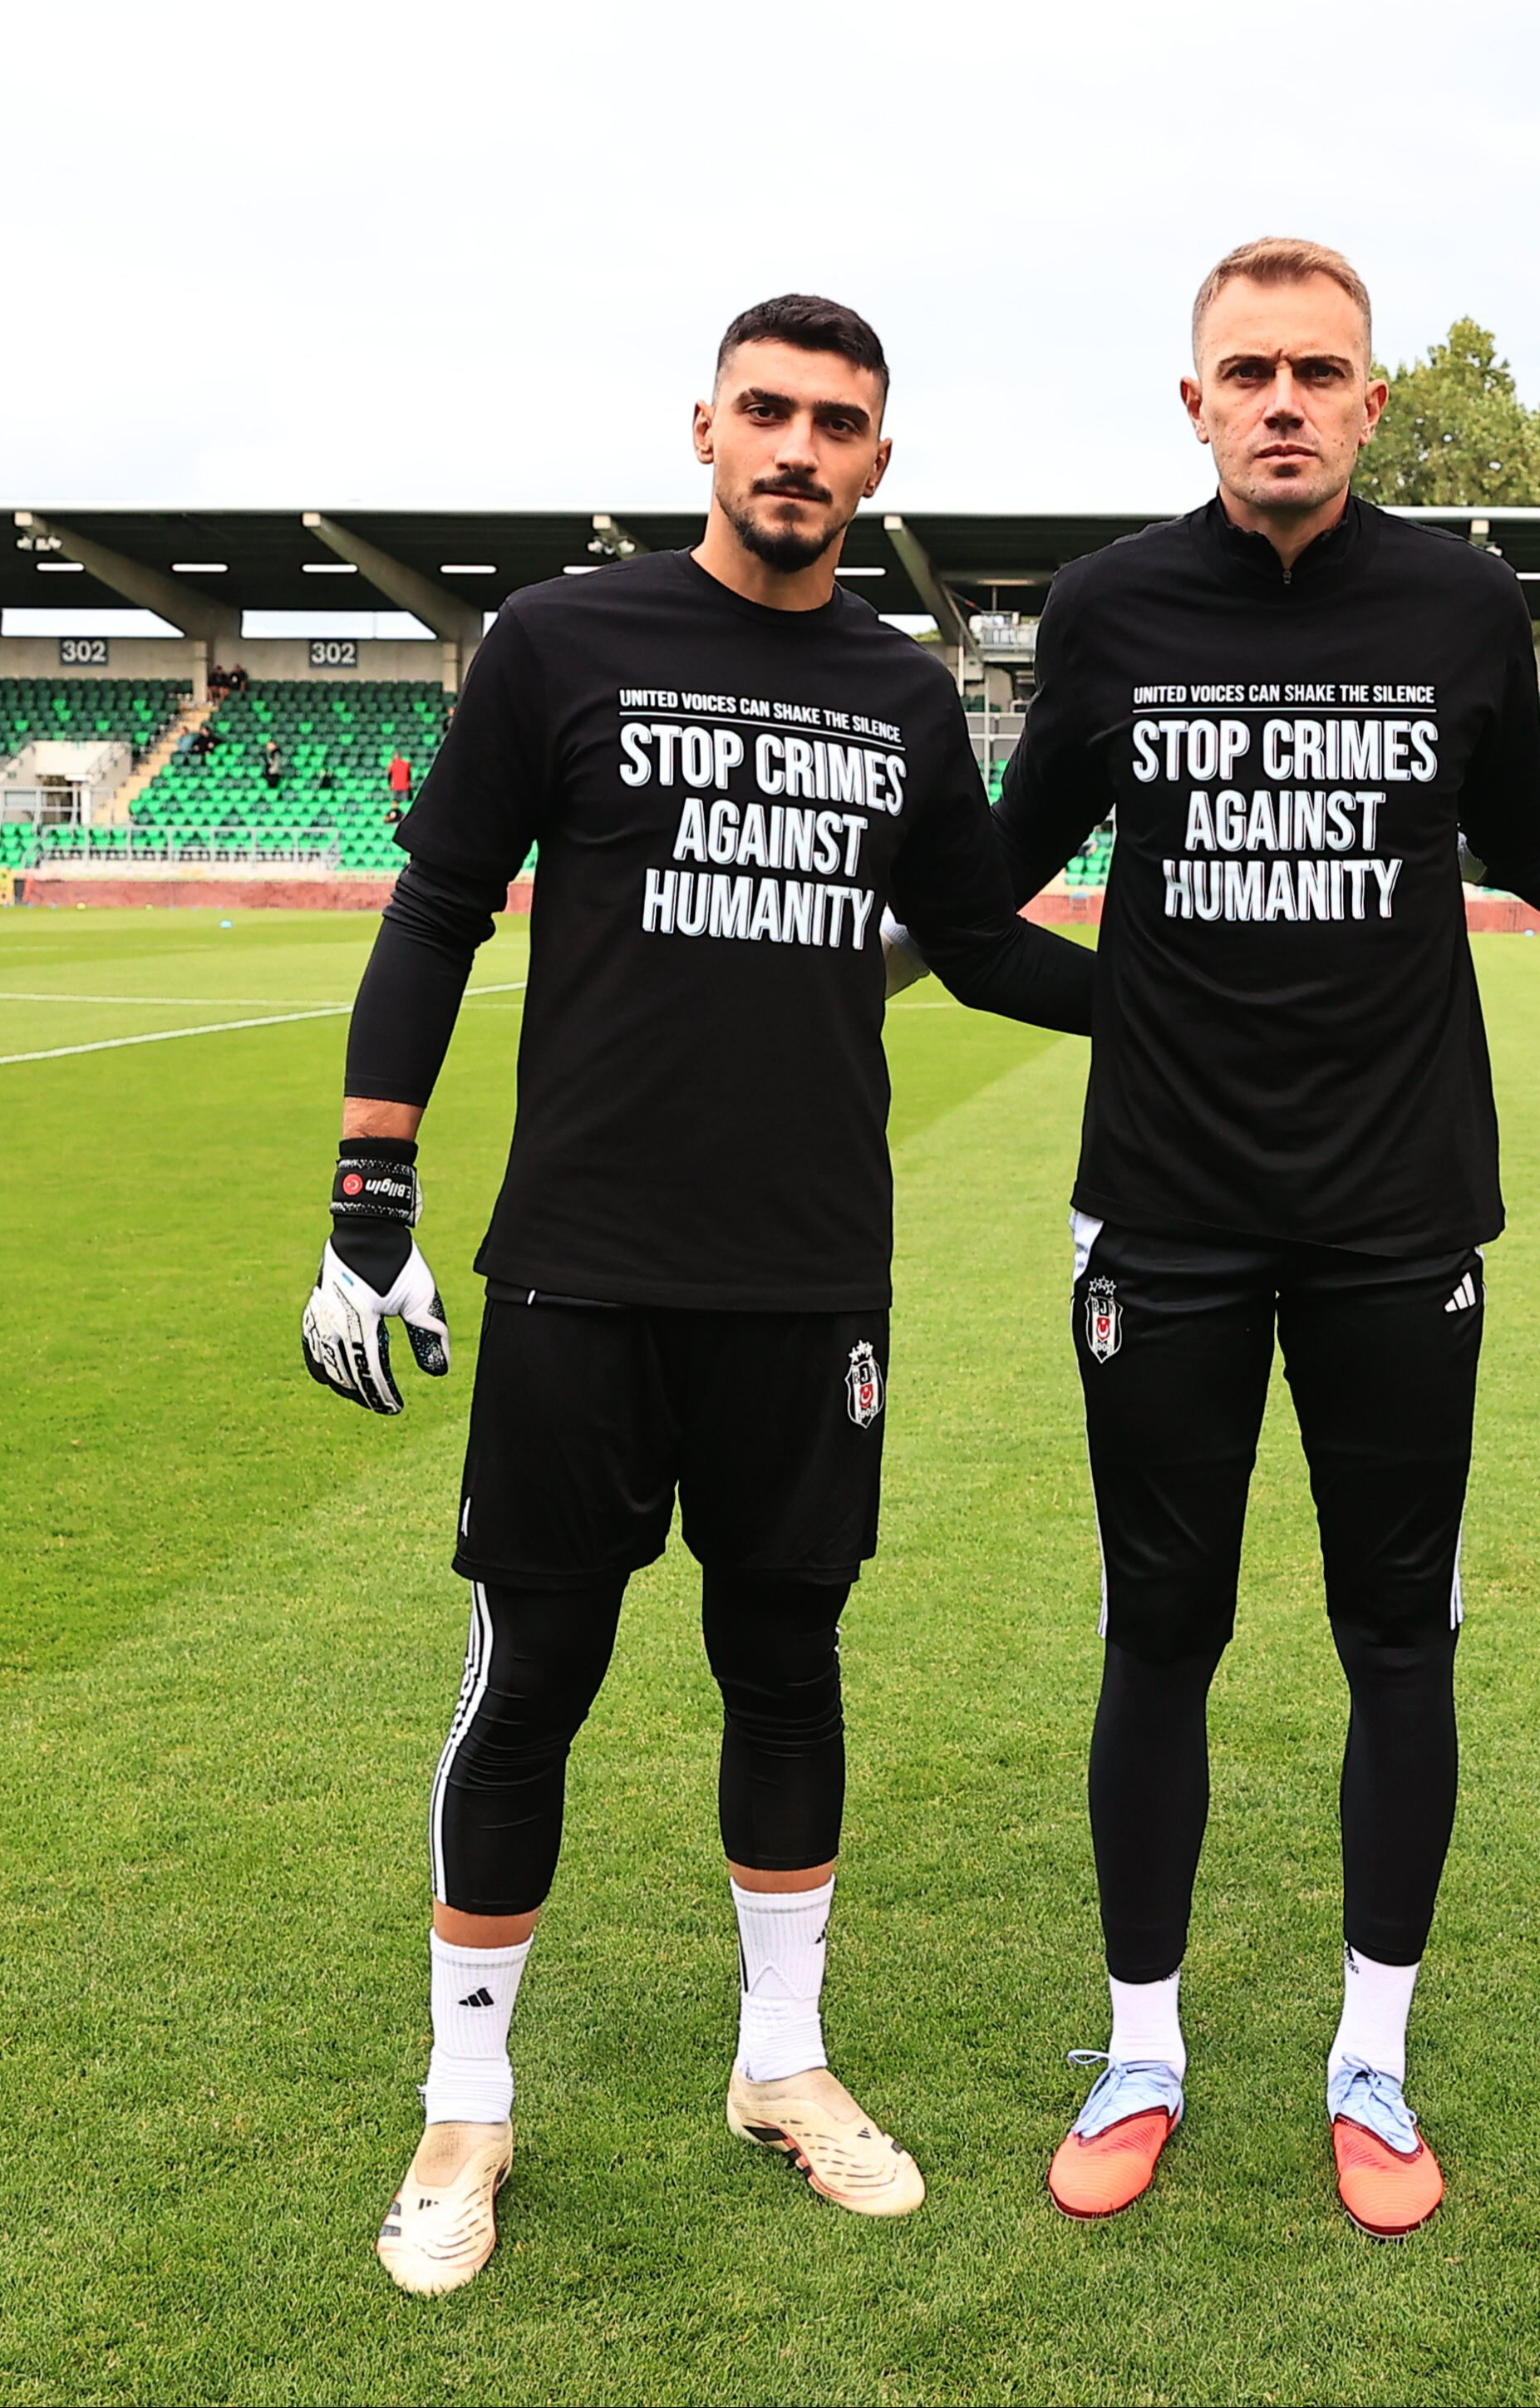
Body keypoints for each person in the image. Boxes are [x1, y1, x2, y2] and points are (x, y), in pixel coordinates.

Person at [313, 291, 1095, 2299]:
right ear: (704, 429)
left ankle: (782, 2064)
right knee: (531, 1687)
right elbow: (437, 903)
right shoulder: (562, 640)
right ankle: (464, 2108)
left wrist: (1198, 1006)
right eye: (768, 411)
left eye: (836, 422)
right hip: (581, 1271)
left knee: (785, 1666)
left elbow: (978, 942)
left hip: (808, 1281)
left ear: (877, 461)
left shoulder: (900, 690)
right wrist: (369, 1192)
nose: (798, 449)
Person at [989, 235, 1540, 2241]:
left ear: (1372, 404)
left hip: (1398, 1215)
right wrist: (1122, 1015)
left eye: (1316, 372)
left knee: (1397, 1637)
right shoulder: (1109, 609)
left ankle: (1370, 2060)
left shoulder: (1459, 604)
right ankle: (1140, 2050)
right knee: (1159, 1635)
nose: (1280, 401)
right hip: (1164, 1218)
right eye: (1246, 372)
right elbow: (990, 875)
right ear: (1191, 401)